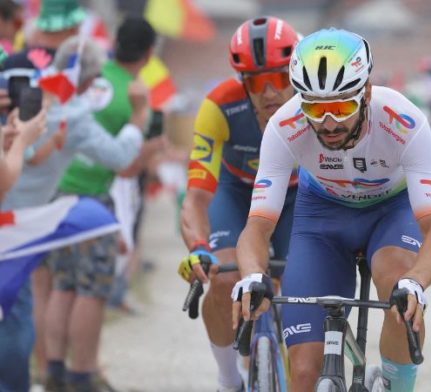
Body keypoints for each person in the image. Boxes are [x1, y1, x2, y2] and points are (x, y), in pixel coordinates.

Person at [230, 28, 431, 392]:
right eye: (315, 109)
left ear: (365, 92)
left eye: (341, 107)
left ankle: (397, 385)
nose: (328, 122)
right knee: (302, 375)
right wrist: (253, 275)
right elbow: (257, 227)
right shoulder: (284, 126)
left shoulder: (404, 121)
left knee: (399, 282)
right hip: (322, 218)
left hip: (390, 212)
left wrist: (416, 283)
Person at [0, 35, 147, 392]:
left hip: (37, 214)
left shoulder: (35, 97)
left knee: (47, 294)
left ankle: (47, 369)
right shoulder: (71, 112)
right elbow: (119, 156)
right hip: (27, 222)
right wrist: (139, 117)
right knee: (67, 295)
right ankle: (73, 374)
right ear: (88, 79)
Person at [176, 16, 299, 392]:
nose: (268, 93)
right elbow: (196, 198)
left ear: (294, 74)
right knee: (223, 278)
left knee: (303, 281)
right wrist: (198, 249)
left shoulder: (314, 103)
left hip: (295, 196)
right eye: (255, 82)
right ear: (241, 82)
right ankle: (229, 380)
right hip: (236, 193)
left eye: (278, 79)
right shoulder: (219, 106)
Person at [41, 18, 156, 392]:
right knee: (90, 290)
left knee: (63, 284)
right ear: (148, 54)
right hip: (93, 200)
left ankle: (54, 370)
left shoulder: (87, 75)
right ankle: (82, 373)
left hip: (56, 193)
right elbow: (126, 168)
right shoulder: (133, 93)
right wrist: (142, 120)